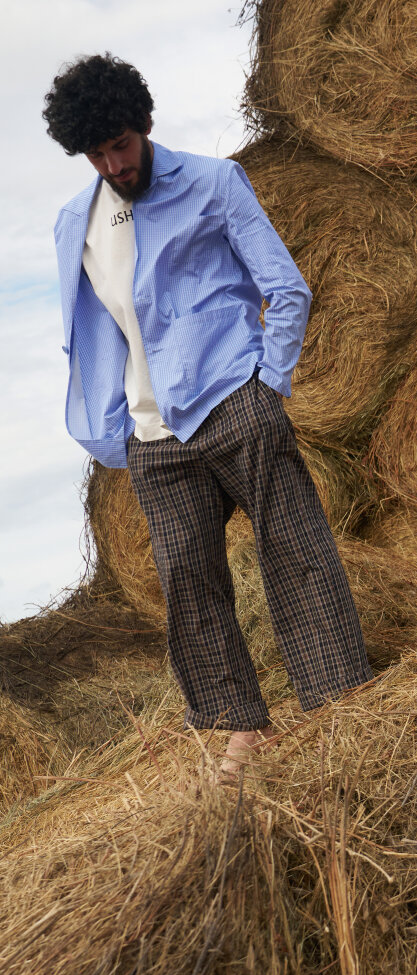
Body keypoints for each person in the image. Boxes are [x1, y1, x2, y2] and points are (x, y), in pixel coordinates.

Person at [43, 53, 372, 776]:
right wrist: (110, 428)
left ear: (146, 125)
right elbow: (93, 329)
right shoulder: (76, 223)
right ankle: (240, 729)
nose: (112, 164)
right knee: (187, 579)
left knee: (297, 552)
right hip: (152, 433)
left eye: (120, 146)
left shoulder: (214, 183)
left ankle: (338, 701)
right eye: (96, 153)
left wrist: (269, 383)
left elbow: (286, 287)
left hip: (233, 401)